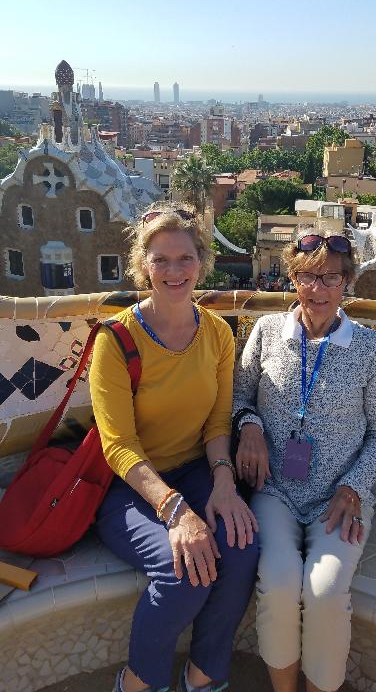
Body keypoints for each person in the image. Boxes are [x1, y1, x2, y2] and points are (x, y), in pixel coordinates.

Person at [90, 203, 259, 692]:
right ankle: (139, 681)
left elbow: (215, 422)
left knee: (242, 549)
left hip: (198, 471)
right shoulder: (117, 339)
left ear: (202, 262)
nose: (173, 271)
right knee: (182, 572)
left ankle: (204, 674)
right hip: (132, 487)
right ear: (143, 265)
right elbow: (117, 445)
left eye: (184, 258)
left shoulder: (218, 334)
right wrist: (176, 512)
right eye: (160, 260)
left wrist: (224, 485)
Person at [233, 231, 376, 692]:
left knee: (324, 592)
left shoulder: (369, 348)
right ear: (292, 279)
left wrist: (354, 488)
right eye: (308, 277)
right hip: (275, 492)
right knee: (281, 582)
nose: (318, 289)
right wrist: (250, 426)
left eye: (330, 278)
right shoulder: (267, 332)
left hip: (339, 497)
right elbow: (239, 398)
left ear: (347, 283)